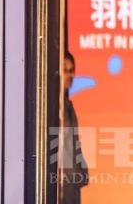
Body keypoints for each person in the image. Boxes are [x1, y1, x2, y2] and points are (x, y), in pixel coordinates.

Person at [61, 52, 89, 203]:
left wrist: (82, 169)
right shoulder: (52, 106)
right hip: (60, 181)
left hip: (71, 181)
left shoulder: (67, 105)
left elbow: (74, 143)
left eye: (72, 70)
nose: (70, 75)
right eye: (65, 70)